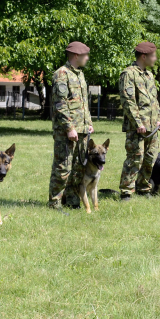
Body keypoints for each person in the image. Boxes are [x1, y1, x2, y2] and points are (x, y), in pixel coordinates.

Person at [48, 41, 94, 210]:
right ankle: (55, 202)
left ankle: (72, 200)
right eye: (85, 55)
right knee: (63, 167)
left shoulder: (79, 74)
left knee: (78, 167)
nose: (87, 58)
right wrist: (69, 128)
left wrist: (88, 123)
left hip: (82, 129)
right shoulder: (62, 74)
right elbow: (60, 104)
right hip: (66, 130)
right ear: (76, 56)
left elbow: (83, 103)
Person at [119, 41, 160, 200]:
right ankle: (126, 192)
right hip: (137, 127)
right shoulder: (128, 74)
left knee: (150, 158)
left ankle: (143, 188)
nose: (155, 59)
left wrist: (159, 119)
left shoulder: (149, 75)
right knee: (135, 159)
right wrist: (138, 123)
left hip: (152, 127)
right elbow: (127, 101)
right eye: (153, 56)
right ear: (144, 56)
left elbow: (154, 100)